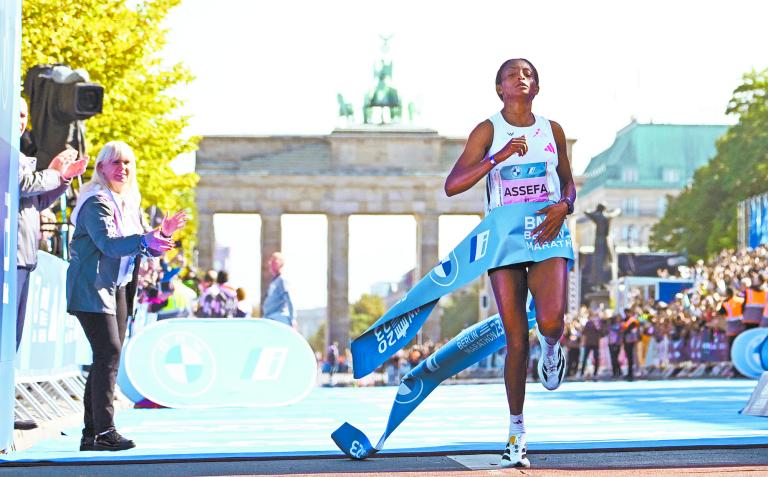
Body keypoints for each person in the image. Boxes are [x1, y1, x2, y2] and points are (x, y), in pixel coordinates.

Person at [444, 58, 576, 468]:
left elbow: (568, 179)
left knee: (551, 320)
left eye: (528, 74)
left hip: (547, 230)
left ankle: (552, 347)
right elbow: (453, 185)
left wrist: (565, 205)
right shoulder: (487, 130)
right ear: (499, 89)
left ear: (536, 87)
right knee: (516, 338)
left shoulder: (552, 129)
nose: (520, 78)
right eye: (510, 75)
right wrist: (496, 158)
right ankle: (517, 432)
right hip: (504, 238)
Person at [66, 141, 187, 451]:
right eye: (116, 162)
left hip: (117, 287)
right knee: (107, 353)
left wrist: (162, 234)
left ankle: (92, 433)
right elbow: (110, 244)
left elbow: (143, 244)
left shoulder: (129, 201)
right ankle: (104, 431)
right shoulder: (97, 201)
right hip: (92, 287)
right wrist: (147, 239)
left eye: (128, 163)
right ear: (102, 168)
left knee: (107, 357)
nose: (123, 168)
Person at [15, 97, 88, 431]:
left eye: (24, 115)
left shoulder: (18, 155)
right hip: (9, 258)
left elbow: (36, 198)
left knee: (12, 339)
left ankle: (4, 403)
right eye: (14, 112)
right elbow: (24, 185)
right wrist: (53, 172)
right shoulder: (6, 154)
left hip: (23, 258)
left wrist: (63, 179)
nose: (20, 120)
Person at [262, 252, 296, 328]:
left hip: (279, 319)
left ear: (280, 264)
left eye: (274, 262)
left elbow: (289, 299)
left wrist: (293, 319)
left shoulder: (282, 280)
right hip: (270, 318)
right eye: (271, 262)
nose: (271, 264)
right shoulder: (274, 281)